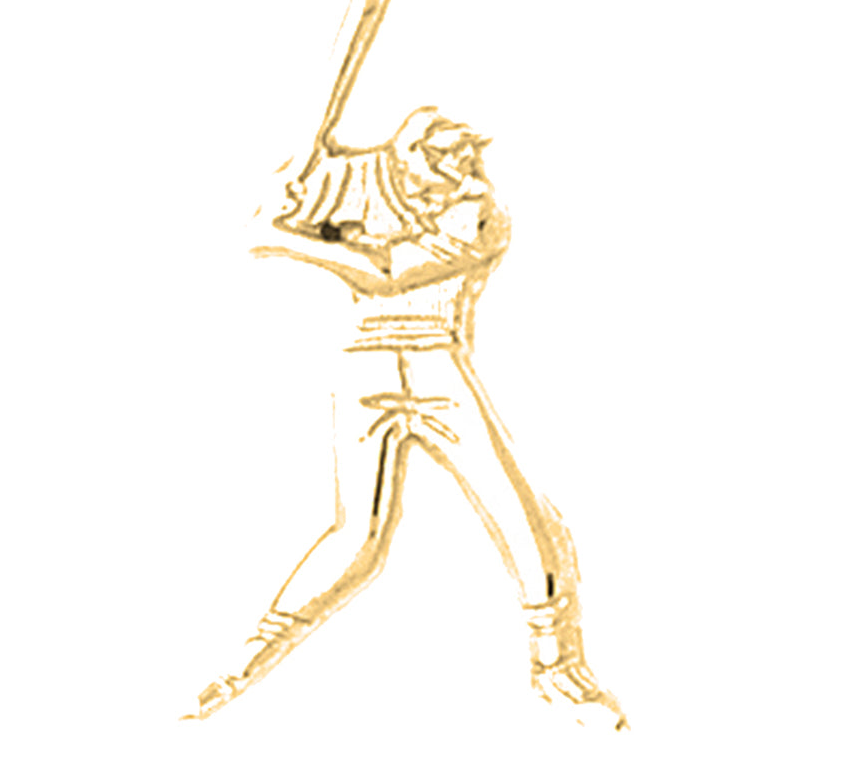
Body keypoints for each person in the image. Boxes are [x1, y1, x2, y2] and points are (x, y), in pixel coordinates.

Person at [183, 106, 627, 729]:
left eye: (466, 158)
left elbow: (387, 274)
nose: (462, 170)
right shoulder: (362, 176)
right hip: (365, 369)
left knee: (523, 513)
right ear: (407, 155)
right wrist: (285, 190)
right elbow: (297, 188)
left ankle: (557, 669)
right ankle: (243, 664)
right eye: (446, 159)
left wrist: (282, 238)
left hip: (436, 365)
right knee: (355, 541)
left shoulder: (479, 210)